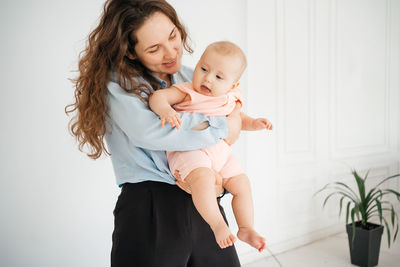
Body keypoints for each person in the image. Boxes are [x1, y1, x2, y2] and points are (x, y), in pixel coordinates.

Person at [65, 0, 243, 266]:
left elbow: (225, 128)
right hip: (150, 206)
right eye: (154, 48)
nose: (171, 52)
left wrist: (218, 181)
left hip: (200, 198)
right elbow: (153, 133)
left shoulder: (190, 77)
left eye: (173, 36)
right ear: (131, 53)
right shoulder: (119, 86)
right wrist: (224, 125)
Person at [149, 41, 272, 252]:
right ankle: (217, 224)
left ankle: (245, 227)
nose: (207, 78)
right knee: (203, 179)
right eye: (204, 69)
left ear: (233, 85)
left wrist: (254, 123)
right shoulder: (188, 91)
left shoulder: (230, 98)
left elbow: (238, 120)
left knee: (242, 183)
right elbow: (158, 96)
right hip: (190, 151)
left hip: (221, 154)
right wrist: (165, 110)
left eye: (219, 76)